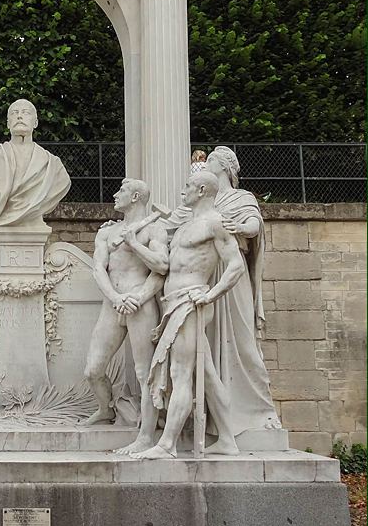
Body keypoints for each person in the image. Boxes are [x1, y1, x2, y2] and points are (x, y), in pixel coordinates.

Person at [117, 171, 244, 460]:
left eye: (187, 186)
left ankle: (167, 444)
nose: (183, 190)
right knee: (207, 376)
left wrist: (210, 294)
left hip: (190, 303)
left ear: (201, 190)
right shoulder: (187, 223)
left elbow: (234, 265)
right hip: (173, 303)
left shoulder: (214, 222)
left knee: (179, 373)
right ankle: (227, 439)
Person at [82, 179, 169, 452]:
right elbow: (98, 269)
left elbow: (162, 268)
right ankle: (105, 409)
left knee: (145, 374)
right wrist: (116, 298)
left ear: (135, 197)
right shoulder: (107, 232)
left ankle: (145, 436)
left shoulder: (154, 229)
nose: (115, 195)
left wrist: (139, 296)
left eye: (121, 191)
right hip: (114, 303)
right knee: (93, 369)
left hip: (140, 306)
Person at [204, 145, 282, 432]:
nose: (204, 162)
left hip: (233, 273)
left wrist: (238, 226)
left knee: (244, 341)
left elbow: (253, 225)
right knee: (211, 345)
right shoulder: (206, 199)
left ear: (224, 166)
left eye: (209, 159)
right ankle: (217, 417)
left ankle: (261, 411)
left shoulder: (241, 197)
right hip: (209, 273)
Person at [0, 99, 71, 236]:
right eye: (14, 113)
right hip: (3, 224)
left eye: (25, 112)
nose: (19, 116)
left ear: (35, 123)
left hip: (35, 226)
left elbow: (62, 185)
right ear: (7, 123)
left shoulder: (53, 165)